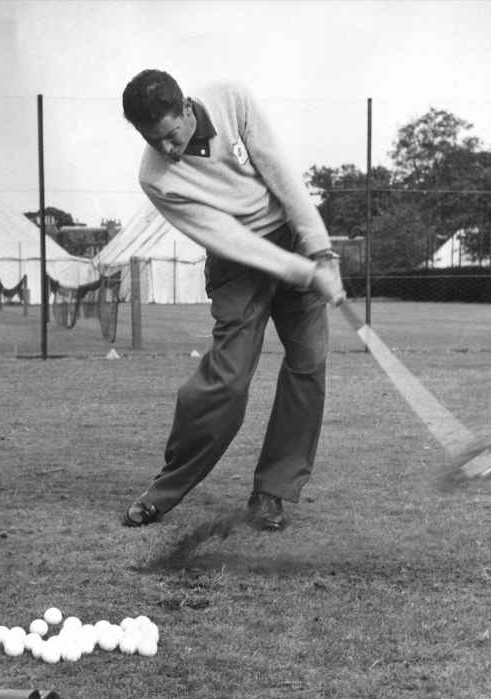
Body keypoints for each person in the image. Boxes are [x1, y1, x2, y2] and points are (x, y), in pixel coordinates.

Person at [120, 69, 344, 531]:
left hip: (289, 237)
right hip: (235, 261)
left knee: (309, 364)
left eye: (169, 135)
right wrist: (307, 271)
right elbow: (228, 237)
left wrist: (319, 250)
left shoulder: (231, 98)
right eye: (151, 140)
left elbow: (282, 174)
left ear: (185, 108)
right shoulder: (155, 177)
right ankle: (166, 490)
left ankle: (271, 493)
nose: (166, 150)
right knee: (227, 379)